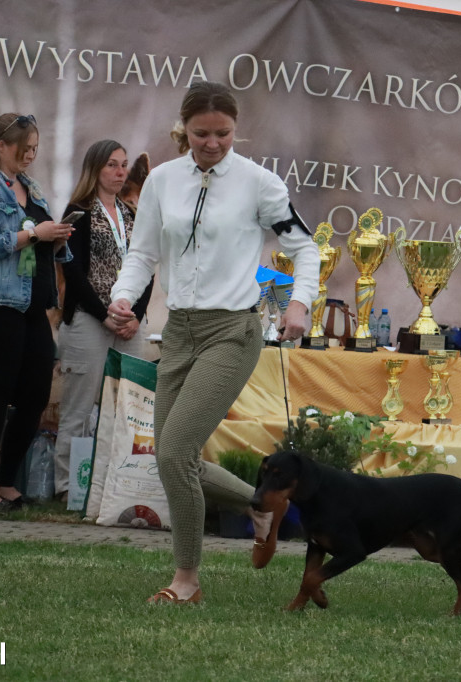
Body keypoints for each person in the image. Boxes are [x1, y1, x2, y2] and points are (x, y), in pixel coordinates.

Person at [108, 81, 319, 604]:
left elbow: (306, 250)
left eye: (223, 133)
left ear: (235, 129)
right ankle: (262, 506)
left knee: (177, 450)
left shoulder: (259, 183)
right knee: (172, 458)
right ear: (185, 130)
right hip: (178, 330)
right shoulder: (160, 181)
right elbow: (142, 254)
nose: (213, 143)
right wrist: (122, 297)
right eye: (202, 133)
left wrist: (300, 302)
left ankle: (187, 579)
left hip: (234, 329)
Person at [0, 113, 73, 511]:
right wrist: (31, 235)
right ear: (1, 145)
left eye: (35, 150)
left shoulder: (31, 187)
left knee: (36, 392)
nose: (30, 156)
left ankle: (7, 480)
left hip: (30, 302)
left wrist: (55, 238)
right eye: (25, 149)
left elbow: (37, 240)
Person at [54, 140, 154, 501]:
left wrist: (136, 318)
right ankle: (68, 488)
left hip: (127, 326)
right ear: (95, 169)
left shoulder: (132, 216)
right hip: (88, 322)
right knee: (79, 410)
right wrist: (105, 315)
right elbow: (73, 272)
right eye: (112, 165)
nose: (120, 172)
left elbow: (147, 269)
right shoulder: (78, 212)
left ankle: (115, 485)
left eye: (124, 165)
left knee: (128, 409)